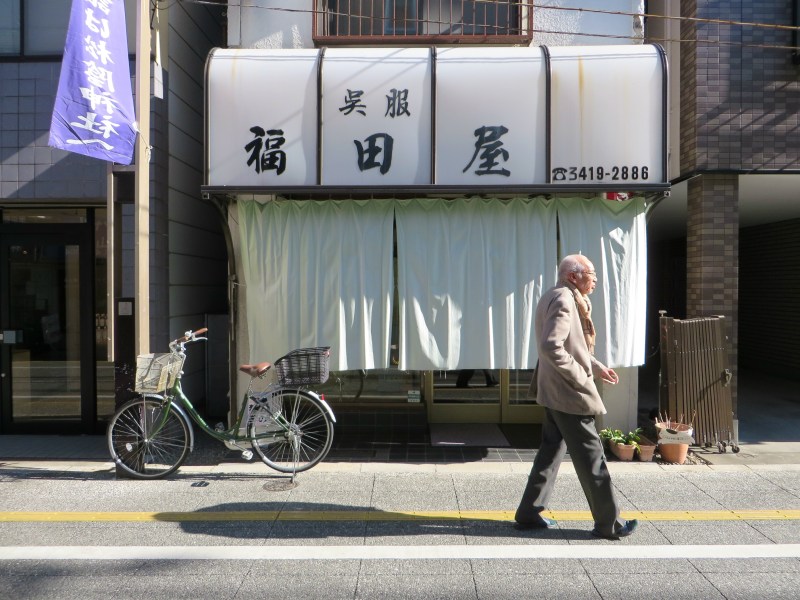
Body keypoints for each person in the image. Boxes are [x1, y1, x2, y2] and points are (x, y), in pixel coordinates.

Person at [514, 254, 637, 540]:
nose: (595, 278)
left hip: (554, 391)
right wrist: (581, 375)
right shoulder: (564, 300)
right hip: (568, 394)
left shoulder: (555, 295)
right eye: (590, 273)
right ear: (573, 276)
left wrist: (596, 366)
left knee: (550, 452)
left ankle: (529, 513)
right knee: (592, 456)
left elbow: (574, 346)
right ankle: (610, 523)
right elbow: (551, 346)